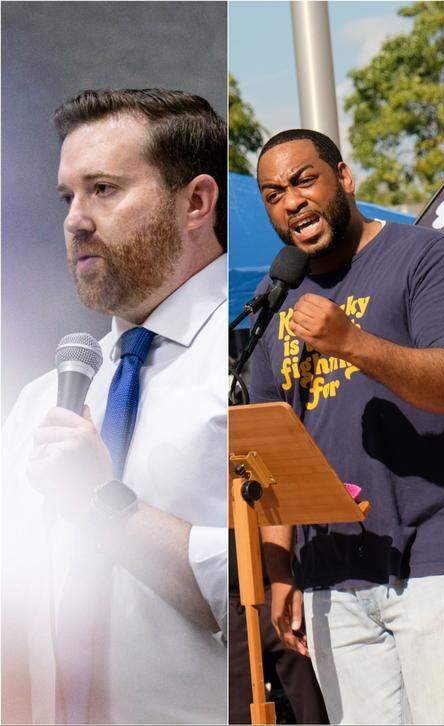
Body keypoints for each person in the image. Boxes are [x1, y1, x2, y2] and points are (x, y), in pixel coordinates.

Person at [1, 89, 228, 724]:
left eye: (102, 189)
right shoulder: (40, 401)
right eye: (67, 196)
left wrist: (104, 504)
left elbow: (295, 588)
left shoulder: (260, 356)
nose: (75, 218)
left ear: (197, 203)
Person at [249, 128, 444, 725]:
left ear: (344, 178)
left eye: (303, 180)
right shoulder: (275, 296)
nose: (290, 202)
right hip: (330, 572)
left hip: (431, 557)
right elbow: (272, 444)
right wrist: (280, 570)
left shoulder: (422, 255)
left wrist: (352, 342)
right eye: (272, 194)